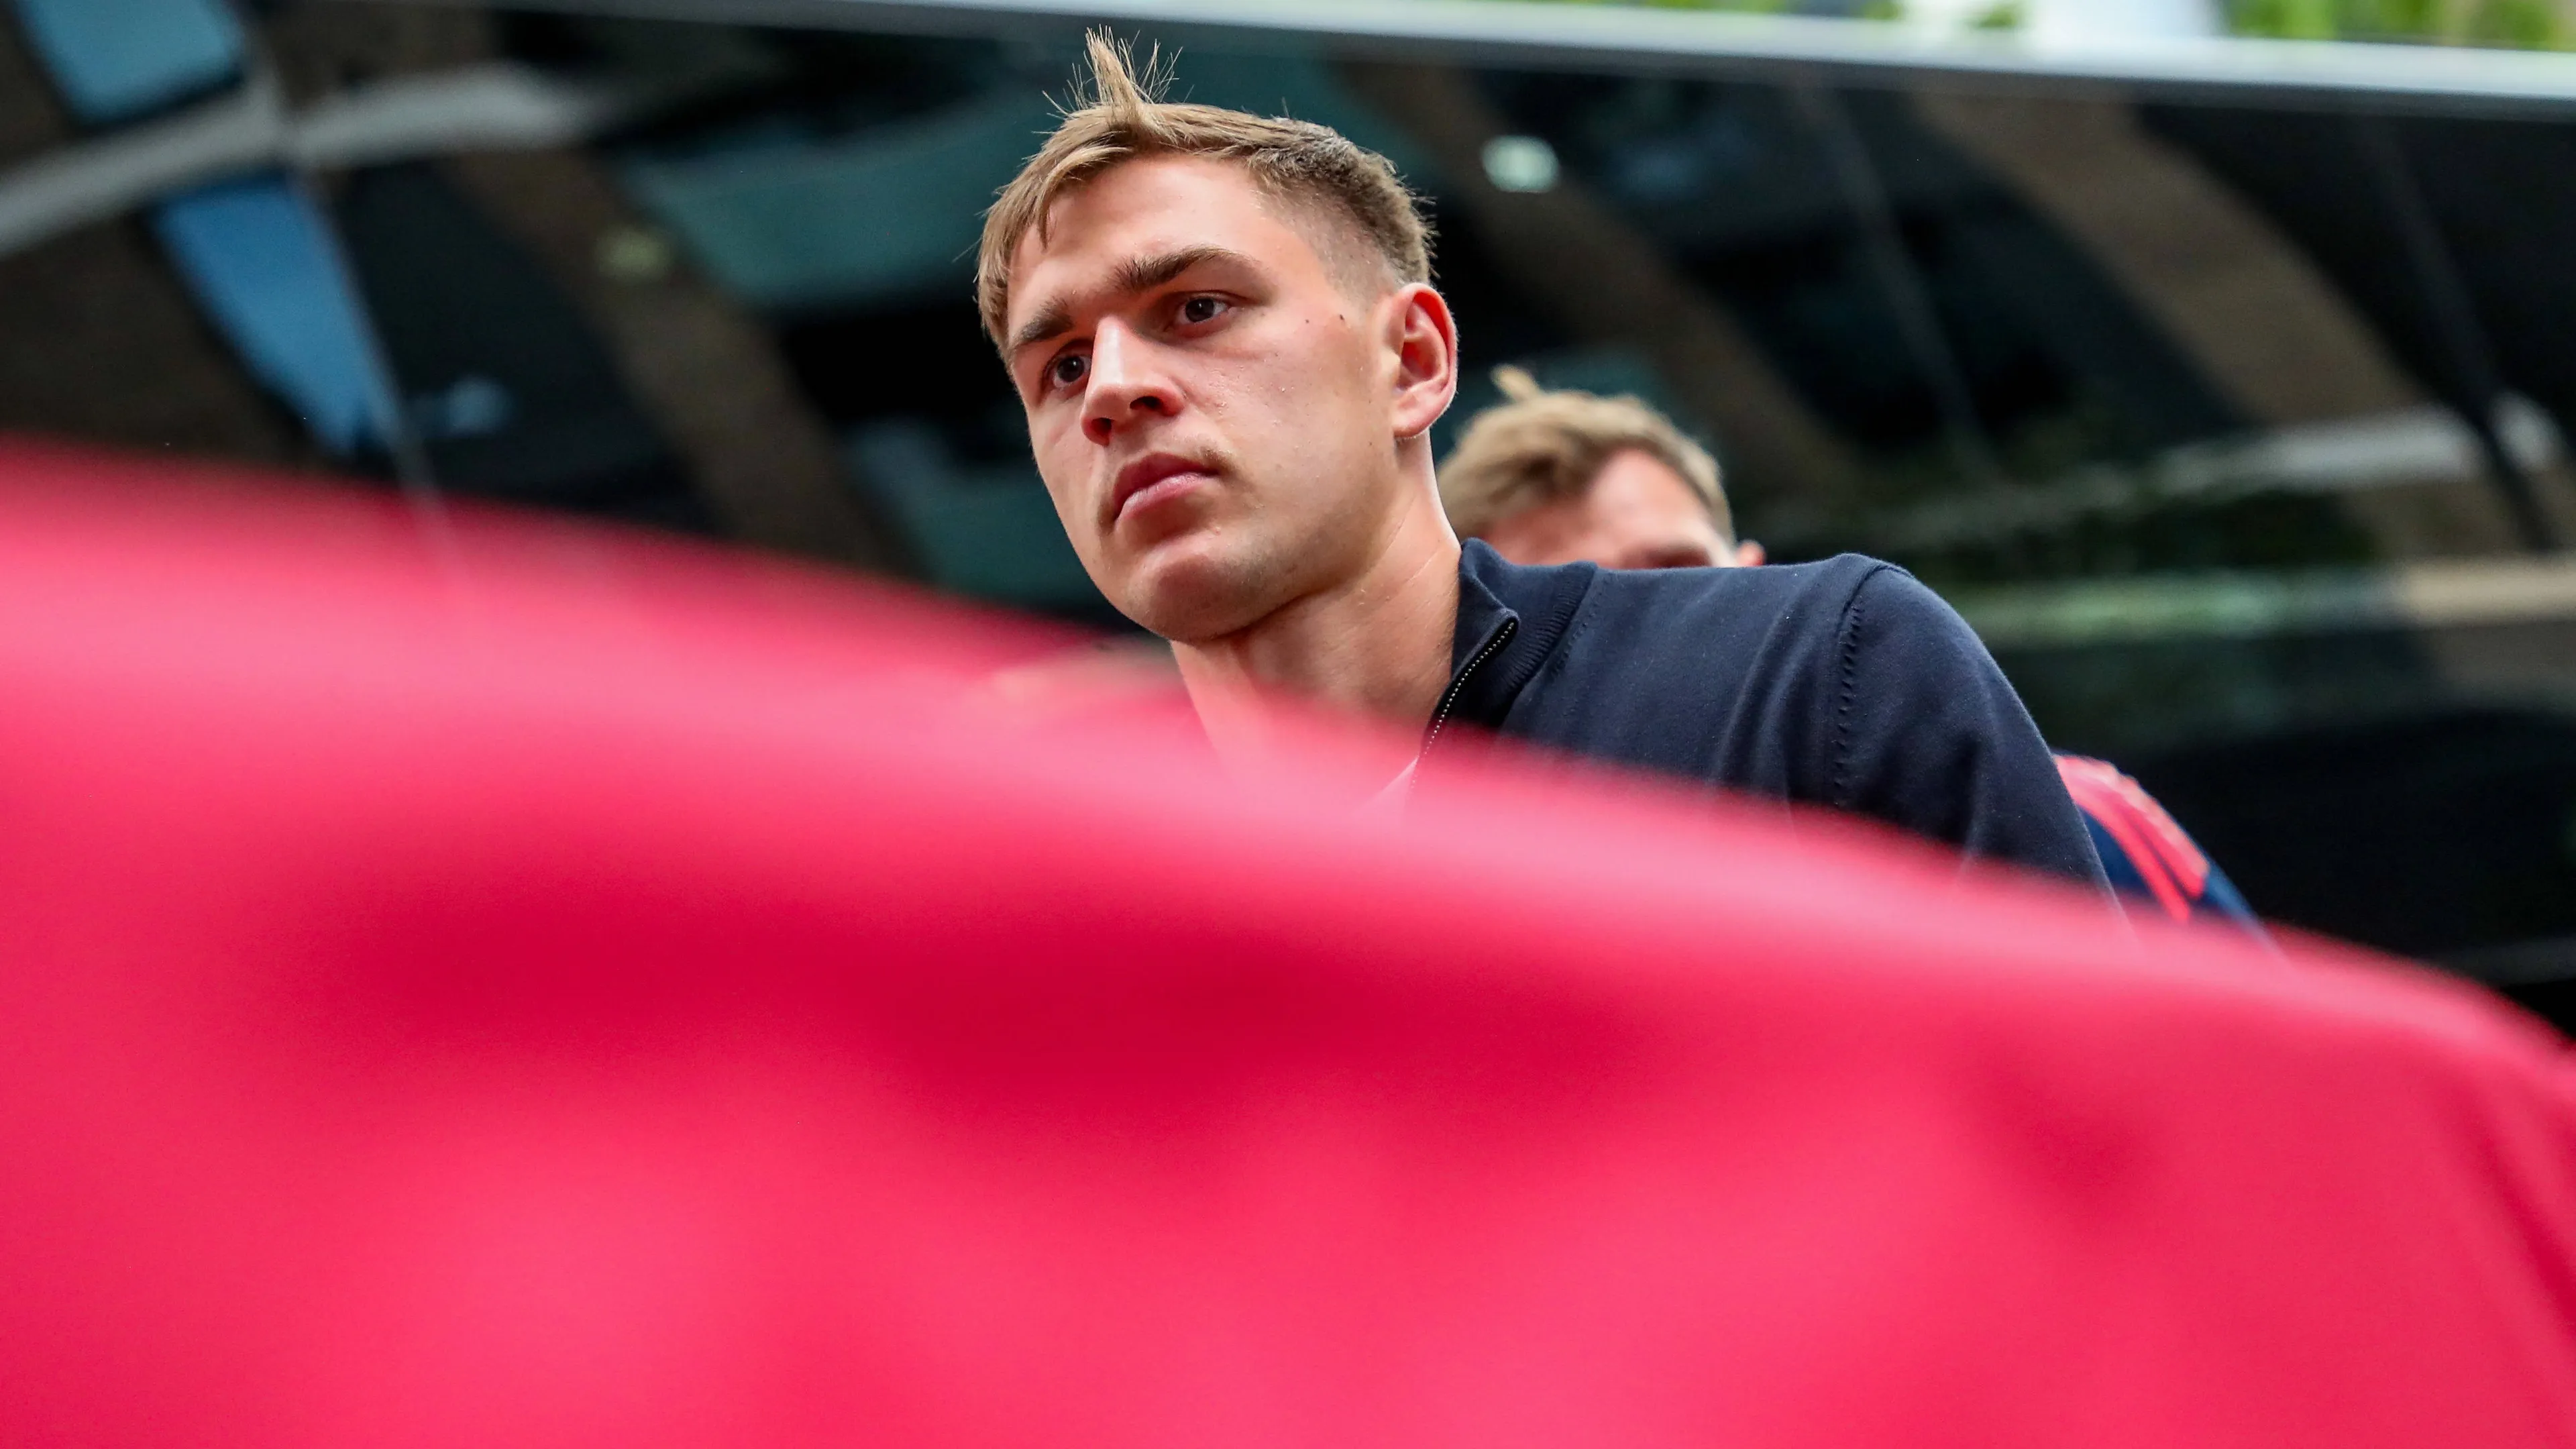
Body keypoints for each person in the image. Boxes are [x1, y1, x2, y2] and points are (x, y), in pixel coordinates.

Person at [978, 34, 2105, 886]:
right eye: (1062, 367)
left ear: (1412, 361)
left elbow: (2106, 1144)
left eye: (1197, 306)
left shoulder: (1814, 677)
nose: (1115, 391)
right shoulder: (1053, 888)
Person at [1441, 370, 2265, 935]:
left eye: (1675, 577)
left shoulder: (2084, 817)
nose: (1640, 627)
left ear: (1755, 578)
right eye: (1574, 614)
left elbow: (2258, 1100)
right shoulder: (1462, 909)